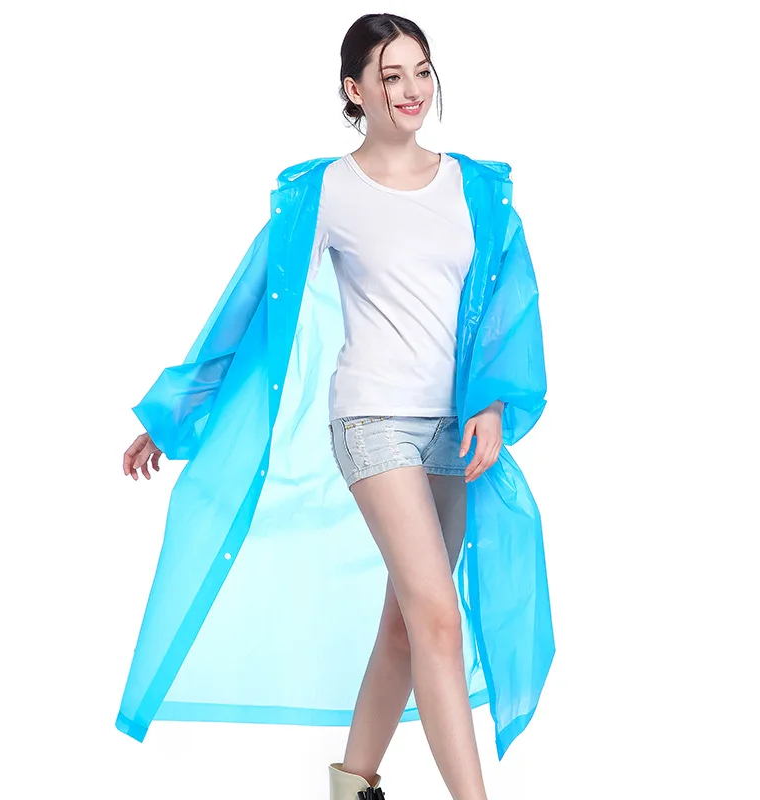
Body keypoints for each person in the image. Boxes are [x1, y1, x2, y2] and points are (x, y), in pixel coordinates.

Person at [121, 13, 551, 800]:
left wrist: (492, 405)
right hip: (372, 422)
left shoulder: (478, 189)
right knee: (439, 618)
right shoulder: (325, 191)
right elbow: (249, 306)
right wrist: (174, 408)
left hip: (454, 432)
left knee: (405, 627)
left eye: (422, 70)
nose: (412, 90)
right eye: (391, 76)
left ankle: (352, 787)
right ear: (355, 91)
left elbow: (506, 309)